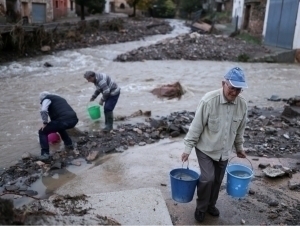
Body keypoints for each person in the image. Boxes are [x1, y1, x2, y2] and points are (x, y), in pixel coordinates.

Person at [181, 67, 248, 222]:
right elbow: (196, 126)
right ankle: (201, 208)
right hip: (205, 148)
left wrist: (239, 148)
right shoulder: (208, 100)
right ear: (223, 83)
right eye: (232, 88)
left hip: (224, 151)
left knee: (217, 180)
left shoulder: (242, 105)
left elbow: (240, 129)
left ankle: (211, 205)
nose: (235, 92)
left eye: (239, 89)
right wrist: (187, 148)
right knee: (208, 179)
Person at [39, 91, 78, 160]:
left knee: (42, 131)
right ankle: (69, 144)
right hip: (74, 120)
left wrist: (45, 123)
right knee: (59, 127)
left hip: (63, 121)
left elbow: (43, 110)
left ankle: (45, 154)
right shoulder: (59, 98)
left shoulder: (46, 99)